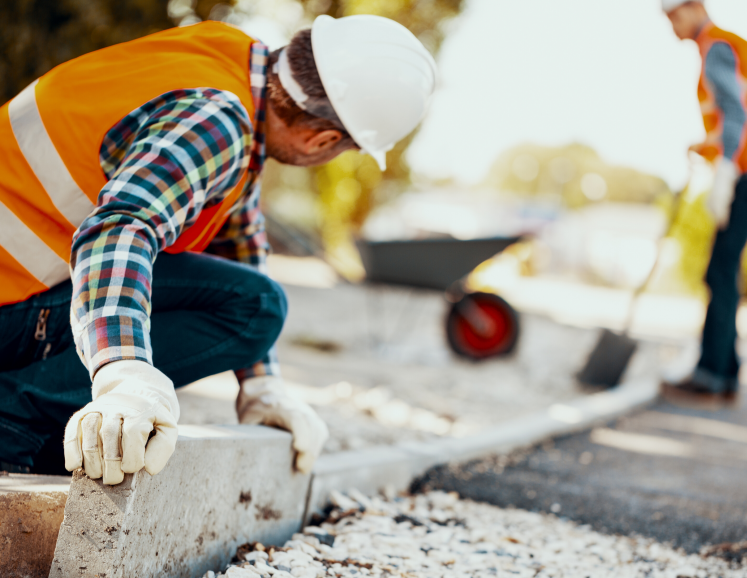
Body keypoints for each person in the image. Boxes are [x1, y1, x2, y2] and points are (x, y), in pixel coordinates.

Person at [0, 15, 437, 483]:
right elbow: (119, 229)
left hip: (16, 290)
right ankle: (13, 424)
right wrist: (121, 371)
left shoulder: (226, 65)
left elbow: (240, 244)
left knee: (255, 299)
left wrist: (261, 386)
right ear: (323, 140)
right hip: (10, 302)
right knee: (259, 306)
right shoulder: (219, 121)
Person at [660, 0, 747, 405]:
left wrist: (725, 167)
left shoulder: (716, 48)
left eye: (672, 16)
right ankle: (724, 375)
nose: (670, 25)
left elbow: (737, 116)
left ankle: (712, 376)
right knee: (724, 266)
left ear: (693, 8)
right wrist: (706, 146)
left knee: (721, 269)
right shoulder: (726, 45)